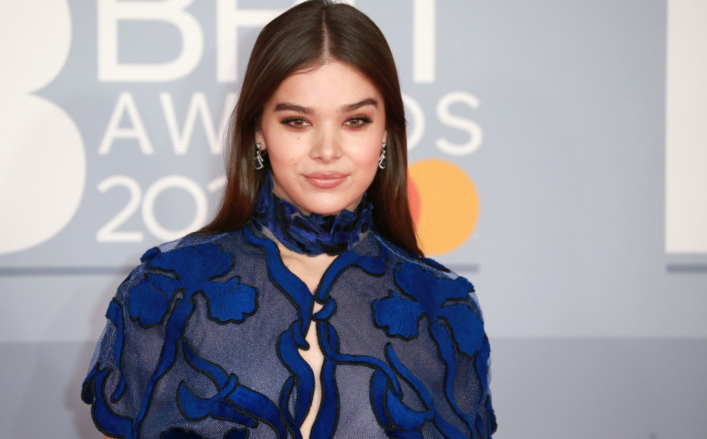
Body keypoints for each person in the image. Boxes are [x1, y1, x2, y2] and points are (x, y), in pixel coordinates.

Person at [82, 1, 496, 437]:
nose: (327, 150)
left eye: (356, 120)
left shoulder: (444, 306)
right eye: (297, 121)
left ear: (386, 133)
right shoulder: (166, 289)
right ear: (259, 130)